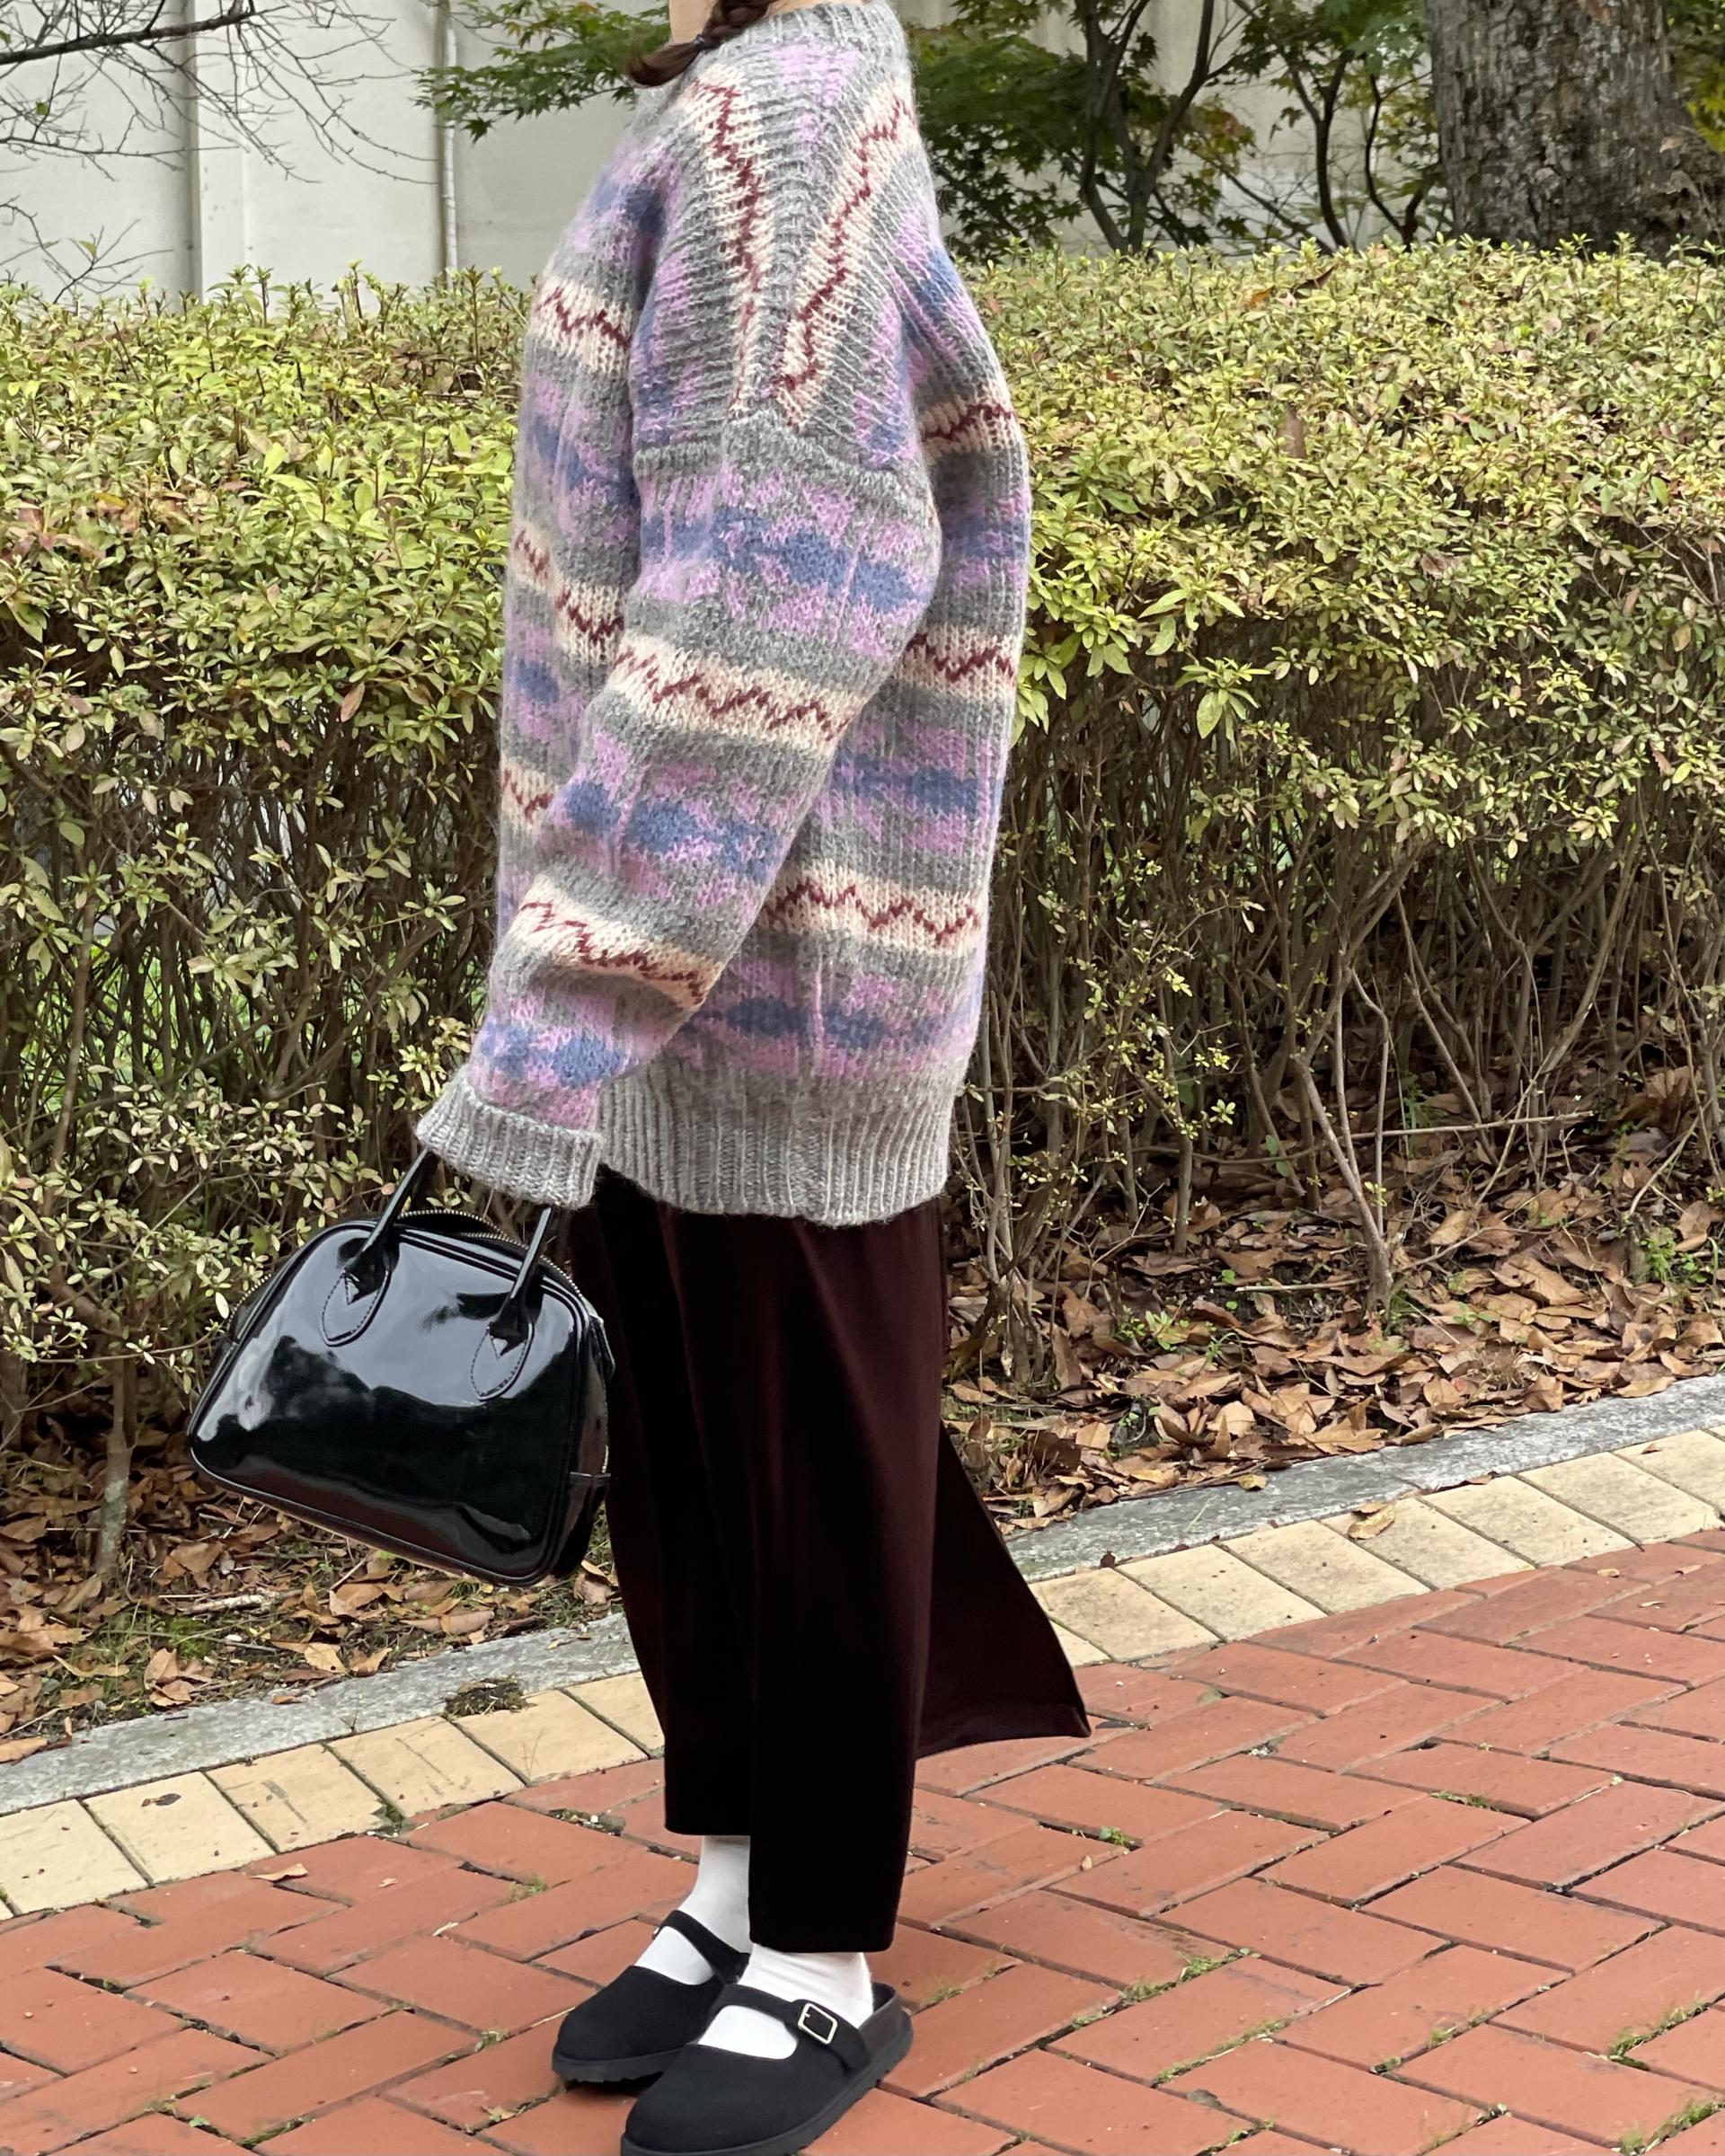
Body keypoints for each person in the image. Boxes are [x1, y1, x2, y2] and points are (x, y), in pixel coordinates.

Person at [417, 0, 1089, 2144]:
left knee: (797, 1466)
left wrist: (569, 994)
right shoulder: (728, 110)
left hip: (787, 967)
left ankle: (822, 1954)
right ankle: (729, 1887)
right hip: (687, 967)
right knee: (699, 1467)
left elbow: (776, 583)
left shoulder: (787, 117)